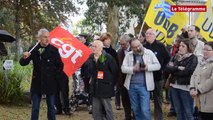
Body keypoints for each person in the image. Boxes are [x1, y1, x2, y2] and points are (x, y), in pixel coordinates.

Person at [19, 28, 63, 120]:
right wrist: (24, 58)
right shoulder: (33, 49)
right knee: (35, 108)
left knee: (51, 107)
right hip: (37, 82)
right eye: (45, 37)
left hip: (50, 83)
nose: (47, 39)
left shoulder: (54, 50)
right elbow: (23, 63)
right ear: (39, 38)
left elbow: (60, 66)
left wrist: (54, 77)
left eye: (48, 37)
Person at [121, 39, 161, 120]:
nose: (138, 48)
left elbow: (158, 66)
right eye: (135, 47)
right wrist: (133, 69)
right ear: (132, 48)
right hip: (131, 86)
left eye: (139, 46)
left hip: (144, 86)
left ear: (141, 44)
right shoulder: (129, 55)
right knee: (135, 109)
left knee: (144, 109)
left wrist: (148, 67)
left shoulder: (149, 53)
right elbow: (123, 68)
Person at [165, 38, 198, 120]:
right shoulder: (175, 56)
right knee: (178, 111)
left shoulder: (193, 58)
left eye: (183, 46)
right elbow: (167, 69)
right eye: (180, 46)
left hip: (185, 88)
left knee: (188, 112)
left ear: (189, 47)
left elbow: (188, 71)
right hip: (174, 87)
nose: (180, 48)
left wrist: (174, 70)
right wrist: (178, 68)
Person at [143, 28, 171, 120]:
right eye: (146, 33)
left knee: (158, 98)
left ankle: (158, 117)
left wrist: (162, 69)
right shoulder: (143, 46)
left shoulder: (160, 45)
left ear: (155, 36)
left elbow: (168, 58)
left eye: (150, 34)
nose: (148, 35)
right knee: (145, 98)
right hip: (145, 77)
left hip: (157, 77)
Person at [88, 40, 118, 120]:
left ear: (101, 48)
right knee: (96, 110)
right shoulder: (91, 57)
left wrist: (111, 84)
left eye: (95, 46)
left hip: (105, 87)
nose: (93, 48)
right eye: (92, 46)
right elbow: (89, 71)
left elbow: (115, 72)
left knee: (107, 108)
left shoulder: (108, 58)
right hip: (95, 87)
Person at [190, 42, 213, 120]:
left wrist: (199, 90)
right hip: (198, 99)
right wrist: (192, 87)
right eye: (204, 49)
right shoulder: (201, 62)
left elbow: (211, 80)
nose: (205, 51)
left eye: (208, 50)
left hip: (209, 99)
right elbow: (194, 75)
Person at [117, 34, 132, 120]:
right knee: (125, 98)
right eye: (120, 44)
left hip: (132, 79)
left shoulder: (134, 50)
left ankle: (135, 113)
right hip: (122, 80)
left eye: (123, 44)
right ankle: (127, 115)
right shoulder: (119, 52)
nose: (122, 46)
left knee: (132, 98)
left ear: (128, 42)